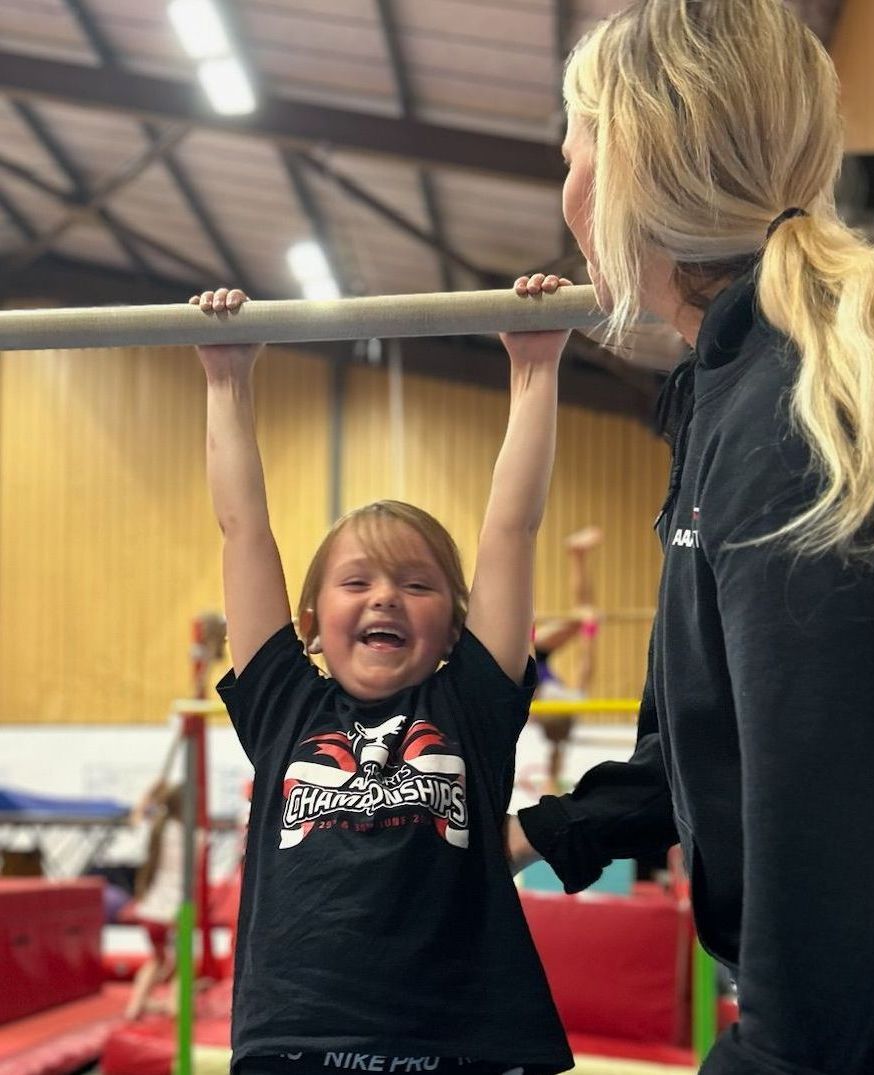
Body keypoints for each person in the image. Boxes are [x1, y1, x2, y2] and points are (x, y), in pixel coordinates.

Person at [504, 3, 874, 1074]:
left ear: (624, 178)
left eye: (571, 151)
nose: (565, 189)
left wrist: (767, 1054)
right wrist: (539, 834)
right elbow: (722, 733)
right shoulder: (739, 380)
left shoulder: (797, 418)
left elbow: (837, 837)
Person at [191, 275, 574, 1075]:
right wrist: (227, 378)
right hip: (299, 1033)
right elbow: (242, 530)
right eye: (358, 581)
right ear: (310, 625)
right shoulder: (283, 703)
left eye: (417, 584)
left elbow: (512, 528)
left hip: (456, 1038)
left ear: (453, 625)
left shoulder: (468, 700)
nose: (386, 597)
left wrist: (534, 370)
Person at [531, 526, 602, 792]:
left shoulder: (548, 705)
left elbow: (586, 664)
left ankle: (577, 555)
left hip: (531, 653)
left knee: (584, 613)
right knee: (585, 612)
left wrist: (589, 633)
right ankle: (577, 555)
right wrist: (589, 630)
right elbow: (586, 664)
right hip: (536, 655)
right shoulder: (544, 710)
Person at [123, 780, 183, 1020]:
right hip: (176, 909)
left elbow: (136, 819)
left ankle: (134, 1007)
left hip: (150, 909)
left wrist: (150, 795)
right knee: (182, 963)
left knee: (157, 960)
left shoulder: (159, 828)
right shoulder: (193, 833)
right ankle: (174, 1006)